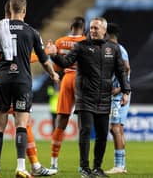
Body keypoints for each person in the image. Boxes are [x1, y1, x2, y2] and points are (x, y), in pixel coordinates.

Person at [0, 0, 59, 178]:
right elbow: (23, 56)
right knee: (22, 125)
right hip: (21, 80)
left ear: (8, 11)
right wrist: (50, 64)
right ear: (23, 11)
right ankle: (24, 166)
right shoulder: (31, 31)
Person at [46, 17, 131, 178]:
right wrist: (55, 55)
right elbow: (65, 62)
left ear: (104, 30)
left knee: (101, 135)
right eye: (91, 28)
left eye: (96, 28)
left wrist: (125, 91)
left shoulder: (113, 48)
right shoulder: (81, 46)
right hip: (85, 97)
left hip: (104, 98)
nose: (92, 31)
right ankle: (84, 168)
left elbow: (121, 71)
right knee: (85, 132)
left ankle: (97, 168)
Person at [49, 16, 86, 172]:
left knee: (61, 123)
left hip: (67, 80)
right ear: (83, 28)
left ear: (71, 27)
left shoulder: (60, 42)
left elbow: (57, 68)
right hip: (82, 80)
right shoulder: (86, 42)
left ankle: (54, 163)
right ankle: (83, 165)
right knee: (84, 123)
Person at [104, 23, 130, 174]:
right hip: (119, 93)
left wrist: (121, 90)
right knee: (117, 128)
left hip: (118, 95)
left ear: (106, 33)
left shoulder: (118, 49)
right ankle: (121, 164)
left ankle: (119, 165)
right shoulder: (119, 48)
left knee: (115, 129)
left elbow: (127, 69)